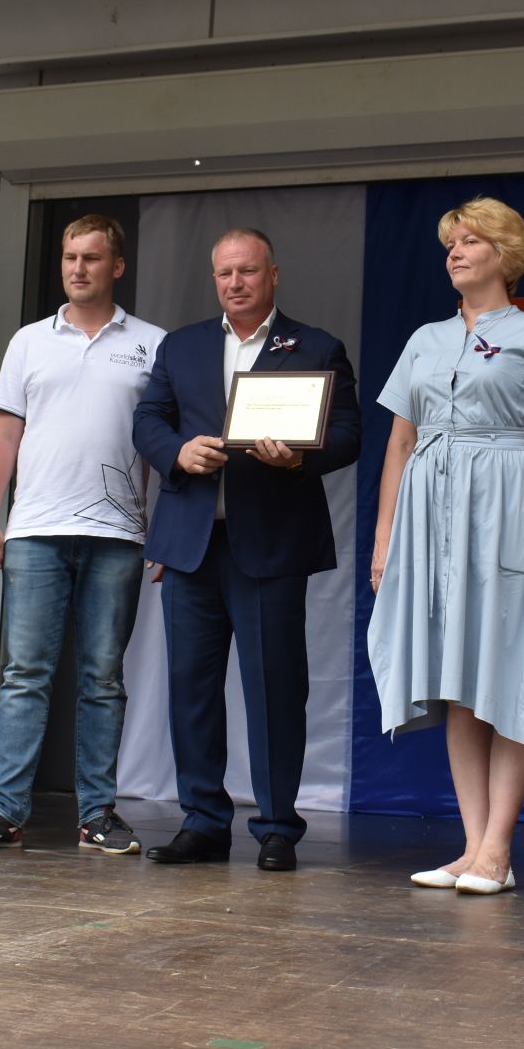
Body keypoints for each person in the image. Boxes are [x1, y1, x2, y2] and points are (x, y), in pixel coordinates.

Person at [366, 198, 524, 896]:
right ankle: (471, 847)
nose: (455, 252)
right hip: (431, 514)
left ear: (505, 254)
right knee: (457, 680)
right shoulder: (424, 340)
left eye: (471, 241)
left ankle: (498, 848)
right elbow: (400, 443)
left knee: (512, 669)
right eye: (450, 243)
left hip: (509, 507)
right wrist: (384, 539)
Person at [132, 227, 361, 871]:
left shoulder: (315, 346)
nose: (236, 283)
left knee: (275, 688)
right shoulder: (182, 347)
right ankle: (202, 821)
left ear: (273, 274)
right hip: (191, 545)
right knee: (191, 688)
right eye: (225, 273)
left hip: (271, 543)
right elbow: (147, 421)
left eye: (248, 272)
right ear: (214, 278)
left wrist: (300, 457)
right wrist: (176, 451)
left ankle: (278, 826)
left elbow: (347, 436)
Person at [0, 214, 166, 854]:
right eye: (70, 257)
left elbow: (159, 444)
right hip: (36, 528)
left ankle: (97, 813)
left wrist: (162, 532)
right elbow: (4, 437)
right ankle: (5, 809)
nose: (77, 268)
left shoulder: (153, 344)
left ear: (116, 266)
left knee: (102, 677)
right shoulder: (28, 341)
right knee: (25, 674)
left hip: (118, 533)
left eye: (92, 258)